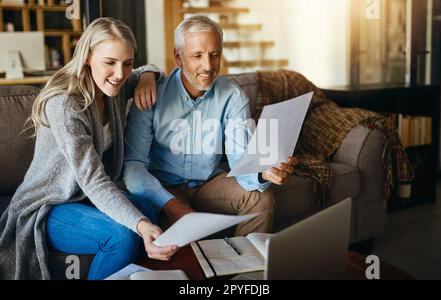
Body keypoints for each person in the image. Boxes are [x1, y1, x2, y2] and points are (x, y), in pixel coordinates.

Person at [0, 17, 178, 280]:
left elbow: (147, 69)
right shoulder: (64, 105)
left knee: (148, 208)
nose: (120, 73)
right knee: (122, 236)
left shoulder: (114, 88)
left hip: (83, 199)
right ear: (87, 57)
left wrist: (147, 77)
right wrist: (140, 226)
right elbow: (94, 182)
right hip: (49, 205)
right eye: (110, 62)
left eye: (127, 63)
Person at [123, 15, 299, 237]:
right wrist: (170, 205)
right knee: (164, 231)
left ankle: (240, 268)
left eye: (215, 55)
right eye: (197, 56)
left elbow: (240, 160)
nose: (208, 66)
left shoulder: (232, 95)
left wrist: (263, 172)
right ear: (178, 56)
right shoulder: (151, 93)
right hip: (163, 184)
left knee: (262, 200)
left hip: (209, 182)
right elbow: (134, 166)